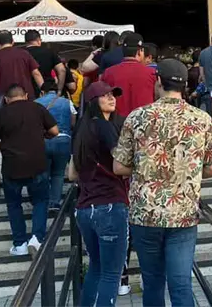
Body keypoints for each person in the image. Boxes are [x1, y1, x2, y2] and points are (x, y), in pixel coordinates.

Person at [112, 59, 212, 307]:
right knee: (181, 283)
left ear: (159, 81)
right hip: (183, 213)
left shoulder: (137, 117)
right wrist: (184, 171)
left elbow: (118, 166)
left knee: (152, 282)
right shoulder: (201, 119)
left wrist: (149, 169)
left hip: (145, 213)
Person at [73, 82, 128, 307]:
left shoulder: (81, 130)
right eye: (104, 96)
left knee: (96, 268)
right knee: (111, 274)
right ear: (94, 102)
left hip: (85, 207)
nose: (111, 98)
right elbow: (120, 163)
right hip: (110, 205)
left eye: (113, 94)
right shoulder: (104, 126)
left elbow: (71, 173)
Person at [0, 84, 58, 256]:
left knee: (14, 205)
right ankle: (37, 238)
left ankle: (19, 244)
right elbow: (55, 131)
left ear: (6, 99)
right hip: (37, 164)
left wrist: (5, 144)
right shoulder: (37, 108)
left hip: (12, 167)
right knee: (40, 201)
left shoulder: (0, 114)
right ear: (26, 95)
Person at [36, 80, 76, 211]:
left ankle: (43, 201)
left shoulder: (36, 103)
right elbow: (72, 123)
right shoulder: (67, 102)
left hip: (43, 141)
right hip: (63, 140)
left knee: (43, 173)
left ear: (42, 92)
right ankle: (55, 202)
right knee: (58, 173)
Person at [100, 34, 156, 117]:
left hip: (116, 124)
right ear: (140, 52)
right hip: (142, 123)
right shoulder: (152, 73)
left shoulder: (108, 73)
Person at [0, 30, 44, 100]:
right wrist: (43, 89)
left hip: (5, 99)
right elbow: (36, 73)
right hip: (26, 97)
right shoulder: (24, 53)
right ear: (13, 41)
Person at [25, 30, 66, 95]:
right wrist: (59, 90)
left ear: (26, 42)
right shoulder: (49, 52)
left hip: (27, 91)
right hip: (48, 89)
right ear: (38, 40)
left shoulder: (21, 53)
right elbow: (62, 70)